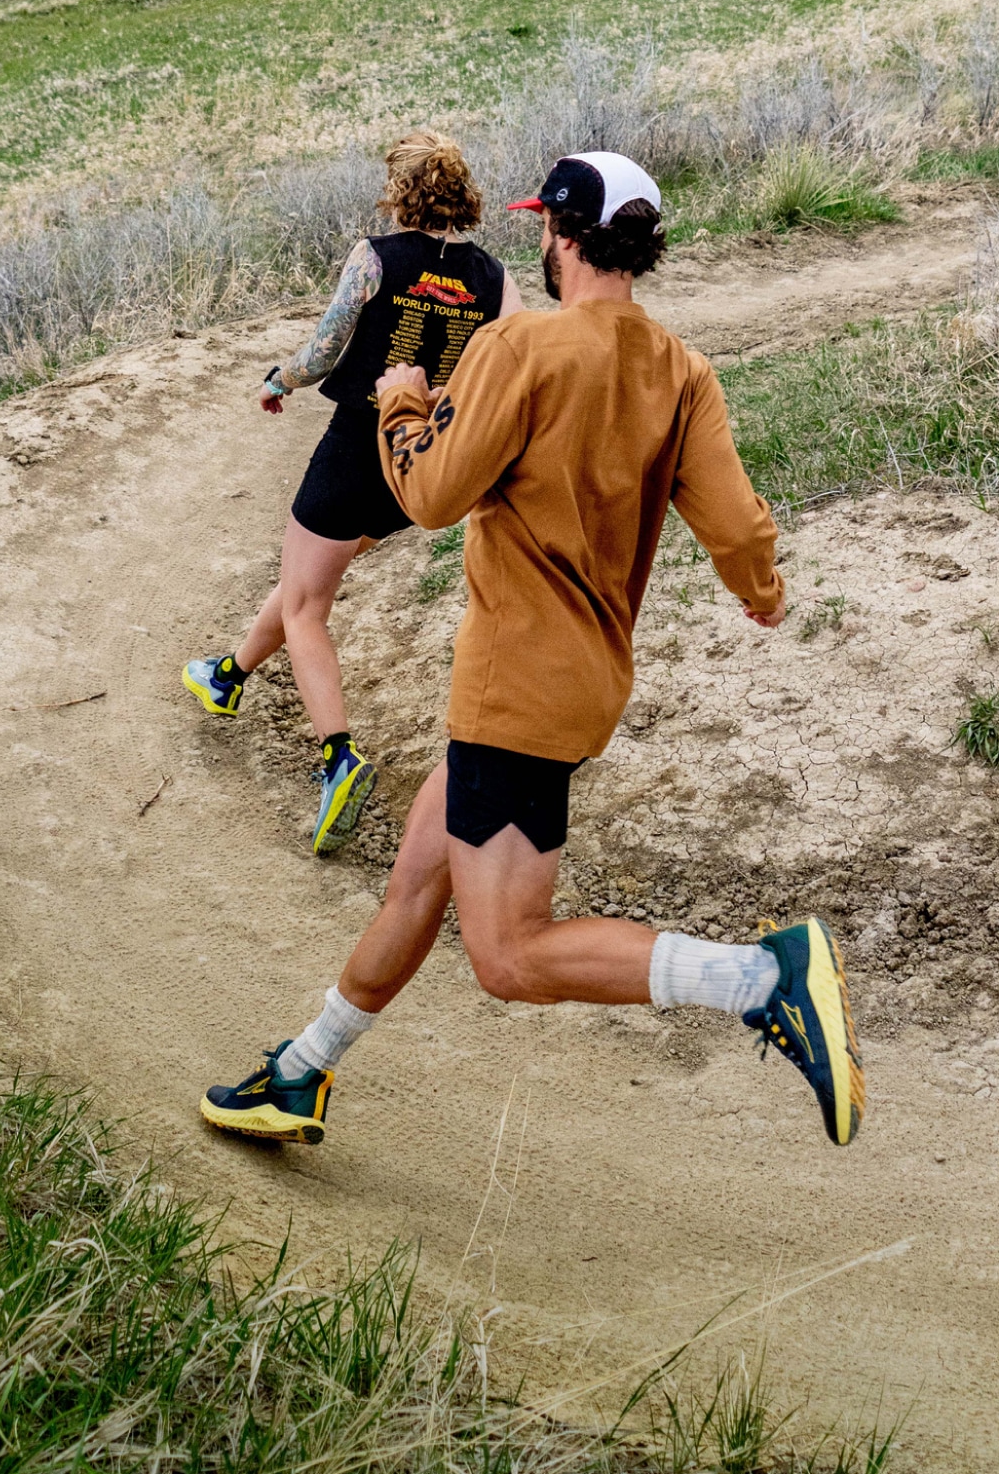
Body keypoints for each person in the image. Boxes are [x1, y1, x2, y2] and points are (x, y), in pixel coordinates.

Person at [200, 151, 865, 1152]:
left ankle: (762, 977)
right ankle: (302, 1071)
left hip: (514, 682)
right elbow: (733, 525)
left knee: (508, 954)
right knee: (419, 881)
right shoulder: (684, 372)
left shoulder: (523, 348)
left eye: (543, 233)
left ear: (561, 237)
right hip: (582, 683)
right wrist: (761, 596)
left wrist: (403, 400)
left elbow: (430, 496)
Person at [183, 131, 523, 855]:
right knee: (312, 576)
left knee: (307, 603)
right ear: (461, 194)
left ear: (401, 192)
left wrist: (279, 380)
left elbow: (327, 346)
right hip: (422, 465)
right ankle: (227, 677)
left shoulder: (376, 257)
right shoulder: (495, 279)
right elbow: (516, 362)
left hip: (356, 450)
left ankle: (339, 756)